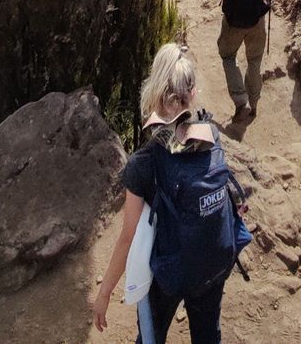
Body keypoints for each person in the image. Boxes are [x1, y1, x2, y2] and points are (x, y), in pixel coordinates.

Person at [92, 44, 240, 343]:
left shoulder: (144, 163)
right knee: (208, 335)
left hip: (170, 274)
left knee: (151, 334)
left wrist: (105, 292)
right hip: (214, 261)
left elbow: (127, 238)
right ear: (193, 92)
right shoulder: (209, 134)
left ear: (155, 93)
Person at [210, 0, 281, 122]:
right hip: (256, 20)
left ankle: (240, 101)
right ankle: (254, 102)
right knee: (255, 61)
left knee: (227, 56)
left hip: (232, 18)